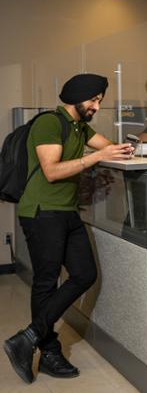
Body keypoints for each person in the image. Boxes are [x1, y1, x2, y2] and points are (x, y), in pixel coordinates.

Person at [3, 73, 135, 384]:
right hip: (41, 213)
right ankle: (48, 352)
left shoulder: (80, 126)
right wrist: (98, 157)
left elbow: (110, 148)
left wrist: (130, 149)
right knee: (46, 282)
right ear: (77, 97)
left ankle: (29, 336)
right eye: (94, 100)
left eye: (99, 100)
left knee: (84, 273)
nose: (97, 107)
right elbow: (52, 171)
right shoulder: (49, 123)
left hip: (65, 212)